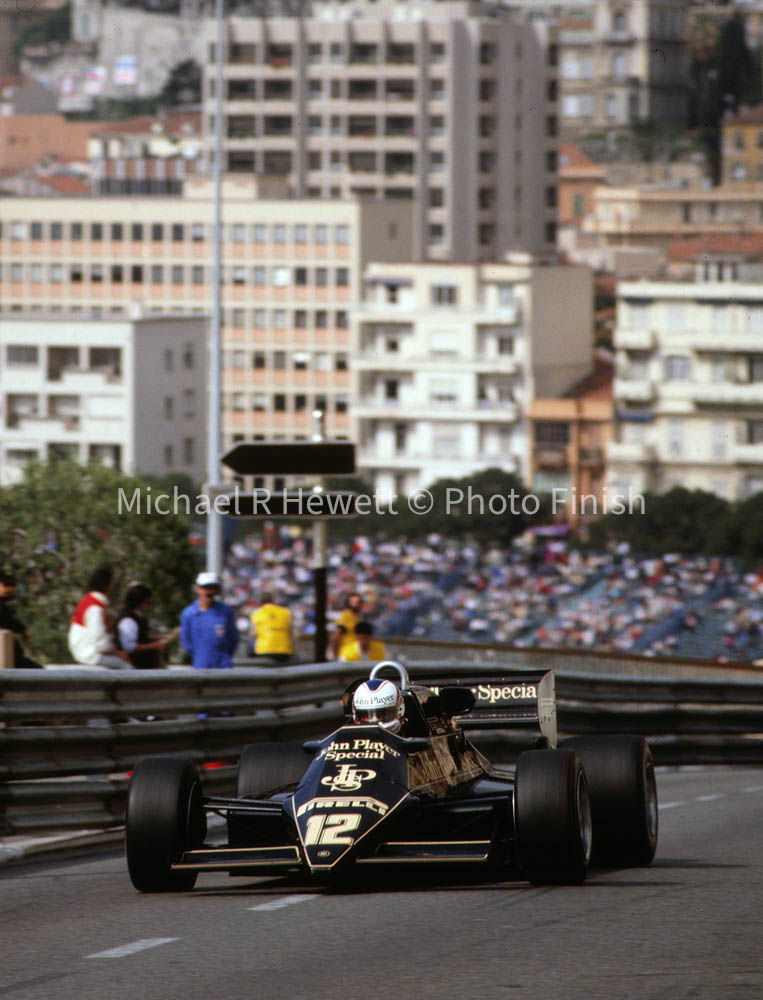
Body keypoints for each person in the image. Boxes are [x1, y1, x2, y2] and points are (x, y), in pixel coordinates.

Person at [68, 565, 132, 668]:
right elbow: (99, 639)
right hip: (90, 653)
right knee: (127, 667)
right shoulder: (95, 608)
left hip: (88, 650)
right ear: (107, 585)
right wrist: (117, 652)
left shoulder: (89, 599)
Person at [180, 570, 239, 669]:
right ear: (198, 589)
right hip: (201, 665)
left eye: (212, 588)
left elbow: (233, 638)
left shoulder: (225, 611)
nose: (209, 591)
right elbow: (187, 642)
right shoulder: (189, 614)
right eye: (205, 588)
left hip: (223, 666)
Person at [113, 582, 173, 668]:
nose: (148, 606)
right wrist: (155, 646)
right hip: (136, 665)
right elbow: (130, 647)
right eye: (147, 602)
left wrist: (158, 637)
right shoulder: (128, 620)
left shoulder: (135, 617)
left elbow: (140, 636)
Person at [0, 571, 43, 668]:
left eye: (12, 585)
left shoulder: (6, 605)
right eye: (6, 584)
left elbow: (11, 622)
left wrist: (23, 631)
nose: (10, 588)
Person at [250, 591, 293, 663]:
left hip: (264, 650)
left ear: (260, 602)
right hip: (285, 651)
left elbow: (252, 633)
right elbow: (292, 633)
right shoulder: (286, 612)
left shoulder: (257, 613)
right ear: (273, 601)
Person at [330, 593, 363, 659]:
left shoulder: (356, 618)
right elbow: (336, 636)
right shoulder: (346, 615)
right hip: (345, 654)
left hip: (354, 654)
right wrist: (335, 655)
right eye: (355, 602)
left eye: (359, 602)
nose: (357, 605)